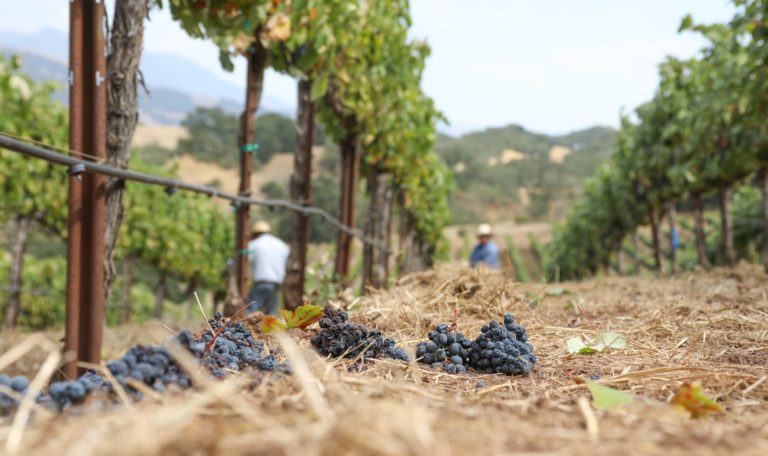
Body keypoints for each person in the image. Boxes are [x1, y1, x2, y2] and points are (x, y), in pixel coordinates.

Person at [246, 221, 289, 315]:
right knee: (270, 317)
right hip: (276, 285)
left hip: (261, 284)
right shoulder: (282, 245)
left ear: (256, 234)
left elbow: (246, 260)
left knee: (250, 313)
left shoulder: (253, 244)